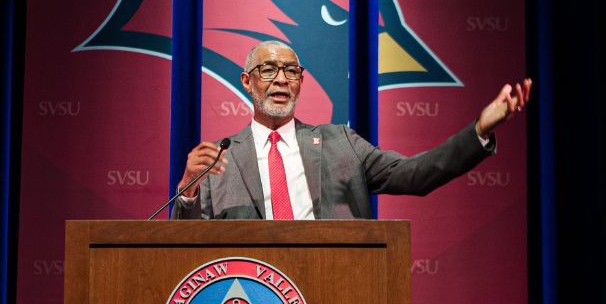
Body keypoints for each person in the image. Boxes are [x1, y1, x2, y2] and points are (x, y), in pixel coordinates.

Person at [173, 40, 533, 219]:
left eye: (291, 72)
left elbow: (416, 175)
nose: (281, 79)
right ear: (247, 82)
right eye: (268, 70)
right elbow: (186, 254)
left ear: (301, 83)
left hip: (337, 285)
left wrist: (480, 129)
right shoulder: (220, 160)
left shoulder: (340, 143)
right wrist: (187, 193)